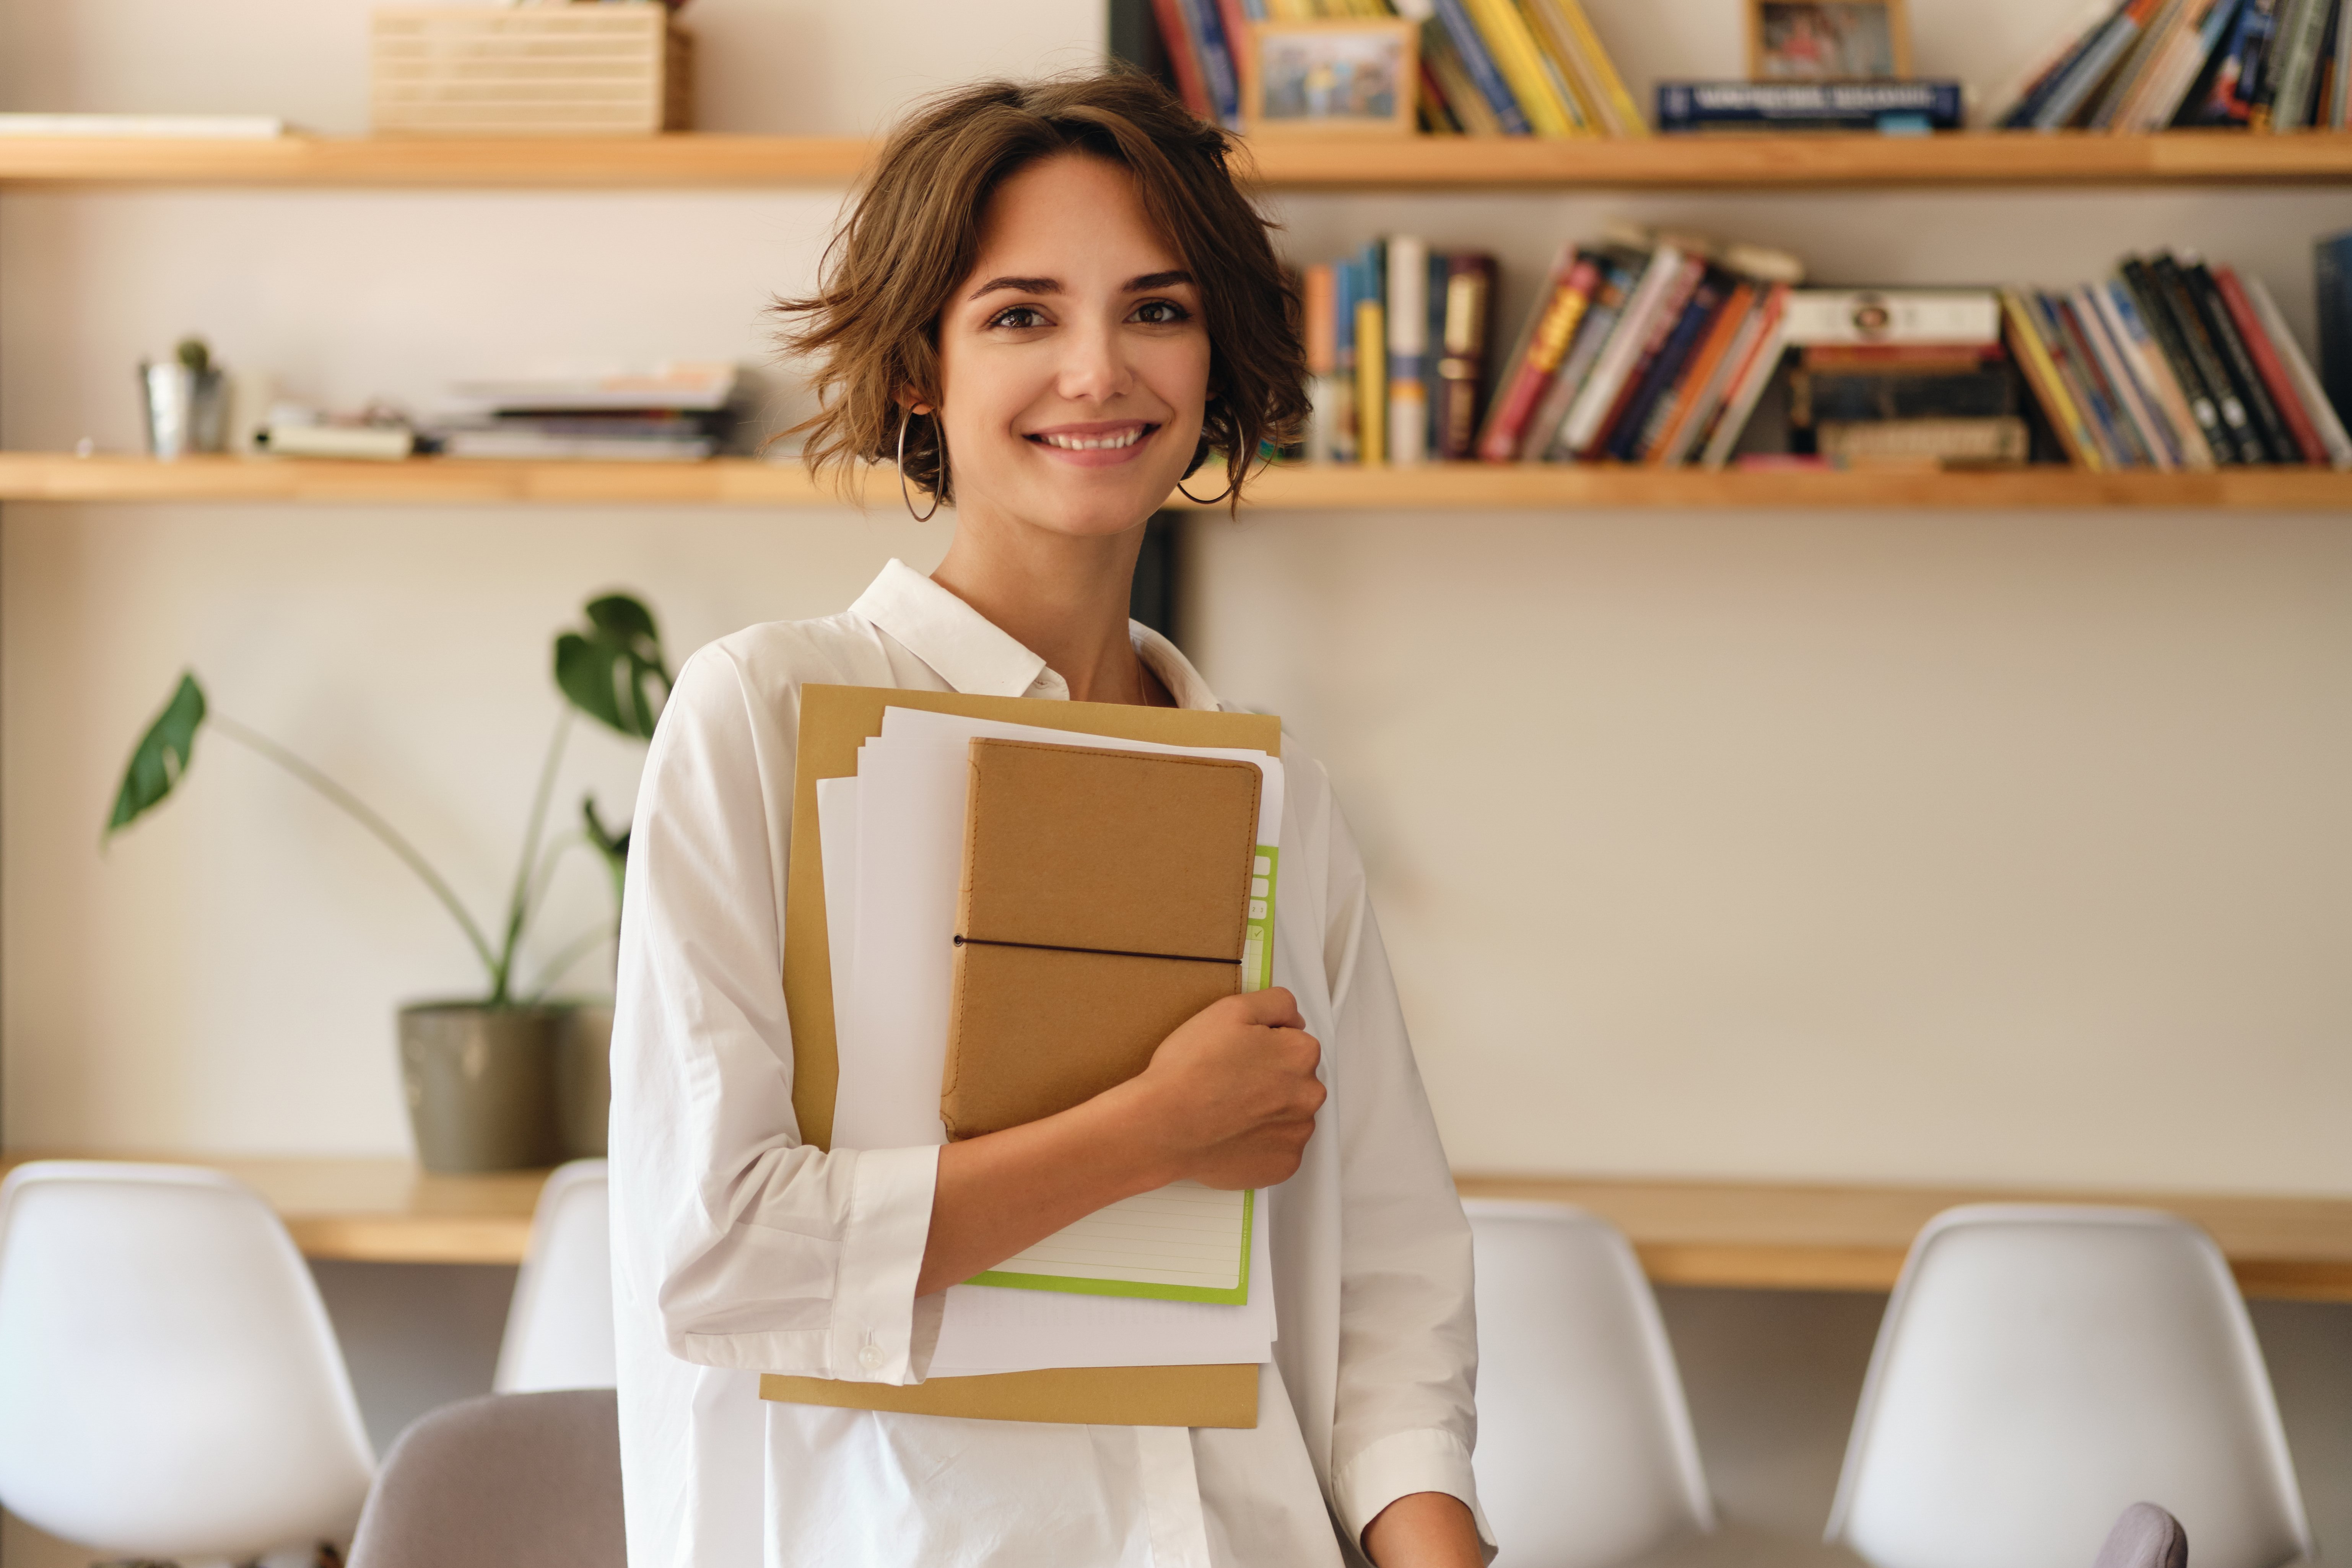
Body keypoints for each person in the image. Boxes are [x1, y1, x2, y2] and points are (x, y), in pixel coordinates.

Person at [609, 72, 1490, 1568]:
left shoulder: (1279, 802)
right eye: (1022, 314)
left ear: (1214, 356)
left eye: (1155, 310)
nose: (1099, 370)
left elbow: (1390, 1299)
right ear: (914, 369)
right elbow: (725, 1251)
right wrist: (1154, 1130)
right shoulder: (758, 716)